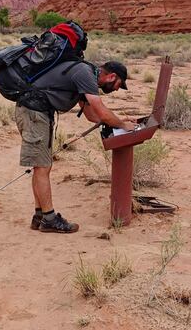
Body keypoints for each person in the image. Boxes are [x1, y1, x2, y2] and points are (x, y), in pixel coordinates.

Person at [15, 60, 135, 234]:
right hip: (34, 113)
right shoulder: (85, 74)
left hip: (36, 113)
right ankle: (49, 219)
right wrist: (123, 126)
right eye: (118, 85)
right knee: (42, 167)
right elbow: (101, 111)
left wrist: (117, 123)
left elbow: (91, 115)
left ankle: (40, 215)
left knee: (41, 166)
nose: (117, 89)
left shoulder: (86, 76)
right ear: (112, 76)